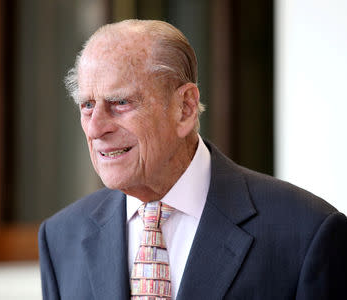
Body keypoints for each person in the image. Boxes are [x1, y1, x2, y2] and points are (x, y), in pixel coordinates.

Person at [38, 19, 347, 300]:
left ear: (184, 108)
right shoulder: (60, 238)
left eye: (120, 103)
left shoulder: (307, 233)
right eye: (87, 105)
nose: (95, 128)